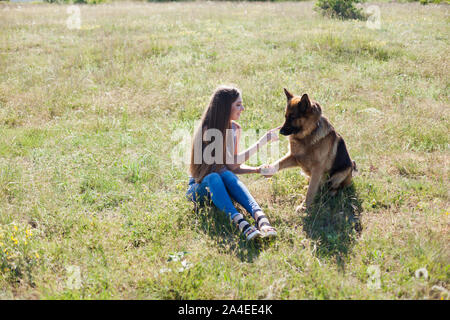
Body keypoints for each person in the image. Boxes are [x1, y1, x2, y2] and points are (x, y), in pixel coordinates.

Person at [186, 85, 280, 241]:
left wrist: (257, 170)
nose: (242, 108)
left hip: (221, 184)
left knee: (227, 174)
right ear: (224, 107)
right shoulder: (207, 130)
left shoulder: (235, 129)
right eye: (238, 104)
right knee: (214, 177)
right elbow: (233, 161)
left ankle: (261, 218)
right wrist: (263, 141)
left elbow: (232, 166)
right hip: (199, 186)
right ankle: (240, 222)